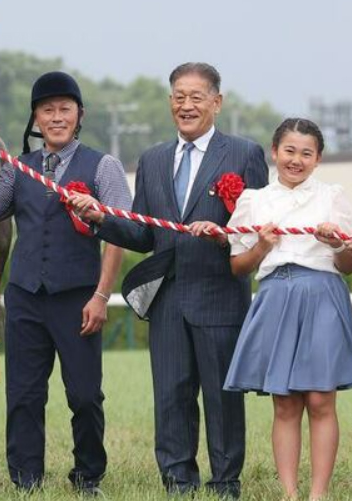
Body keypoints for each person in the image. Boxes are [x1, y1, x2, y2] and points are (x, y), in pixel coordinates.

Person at [90, 62, 267, 498]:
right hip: (167, 299)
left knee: (223, 398)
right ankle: (177, 482)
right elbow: (144, 233)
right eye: (179, 97)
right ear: (170, 101)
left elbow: (258, 229)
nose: (186, 105)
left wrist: (225, 237)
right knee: (170, 396)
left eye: (196, 97)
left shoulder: (244, 154)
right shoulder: (152, 159)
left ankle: (225, 482)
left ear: (216, 102)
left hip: (220, 297)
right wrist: (101, 219)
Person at [0, 71, 131, 494]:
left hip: (79, 298)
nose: (56, 117)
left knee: (85, 395)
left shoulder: (103, 166)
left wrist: (101, 295)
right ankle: (26, 479)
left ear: (80, 115)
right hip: (25, 297)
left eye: (64, 109)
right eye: (47, 110)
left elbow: (121, 234)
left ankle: (88, 476)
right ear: (36, 117)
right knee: (23, 394)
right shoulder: (20, 168)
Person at [218, 118, 352, 500]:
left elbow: (350, 264)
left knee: (320, 398)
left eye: (306, 153)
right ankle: (290, 493)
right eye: (289, 151)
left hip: (323, 294)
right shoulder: (254, 200)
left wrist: (336, 243)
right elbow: (238, 266)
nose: (296, 160)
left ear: (318, 159)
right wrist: (262, 246)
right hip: (276, 295)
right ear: (274, 151)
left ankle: (318, 493)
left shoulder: (332, 197)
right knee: (284, 402)